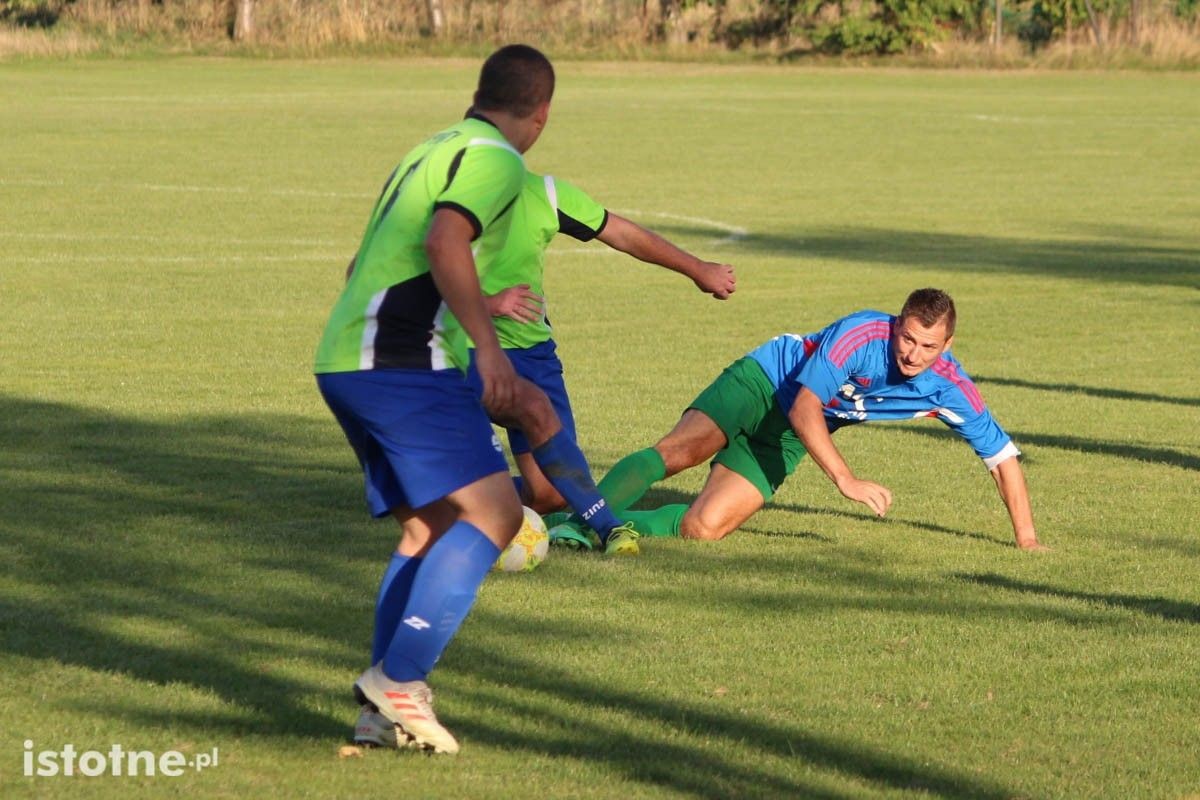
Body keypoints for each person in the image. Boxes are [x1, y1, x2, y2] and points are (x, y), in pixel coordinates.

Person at [313, 44, 556, 755]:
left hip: (346, 358)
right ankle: (403, 679)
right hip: (399, 361)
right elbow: (446, 236)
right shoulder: (496, 159)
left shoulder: (431, 148)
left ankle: (378, 712)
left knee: (426, 530)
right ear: (539, 116)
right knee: (500, 511)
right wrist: (485, 345)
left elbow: (365, 263)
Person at [559, 289, 1046, 551]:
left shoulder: (950, 389)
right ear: (896, 326)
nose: (913, 354)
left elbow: (1002, 460)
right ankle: (581, 525)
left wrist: (1026, 540)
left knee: (703, 529)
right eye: (908, 339)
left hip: (792, 433)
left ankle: (597, 523)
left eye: (928, 346)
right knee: (679, 453)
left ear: (947, 347)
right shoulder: (861, 334)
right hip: (765, 383)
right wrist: (846, 479)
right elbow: (804, 404)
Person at [465, 168, 737, 545]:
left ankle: (453, 497)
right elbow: (412, 277)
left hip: (531, 353)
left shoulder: (546, 193)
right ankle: (607, 528)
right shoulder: (451, 197)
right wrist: (488, 304)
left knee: (549, 493)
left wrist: (697, 269)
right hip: (461, 346)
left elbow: (621, 233)